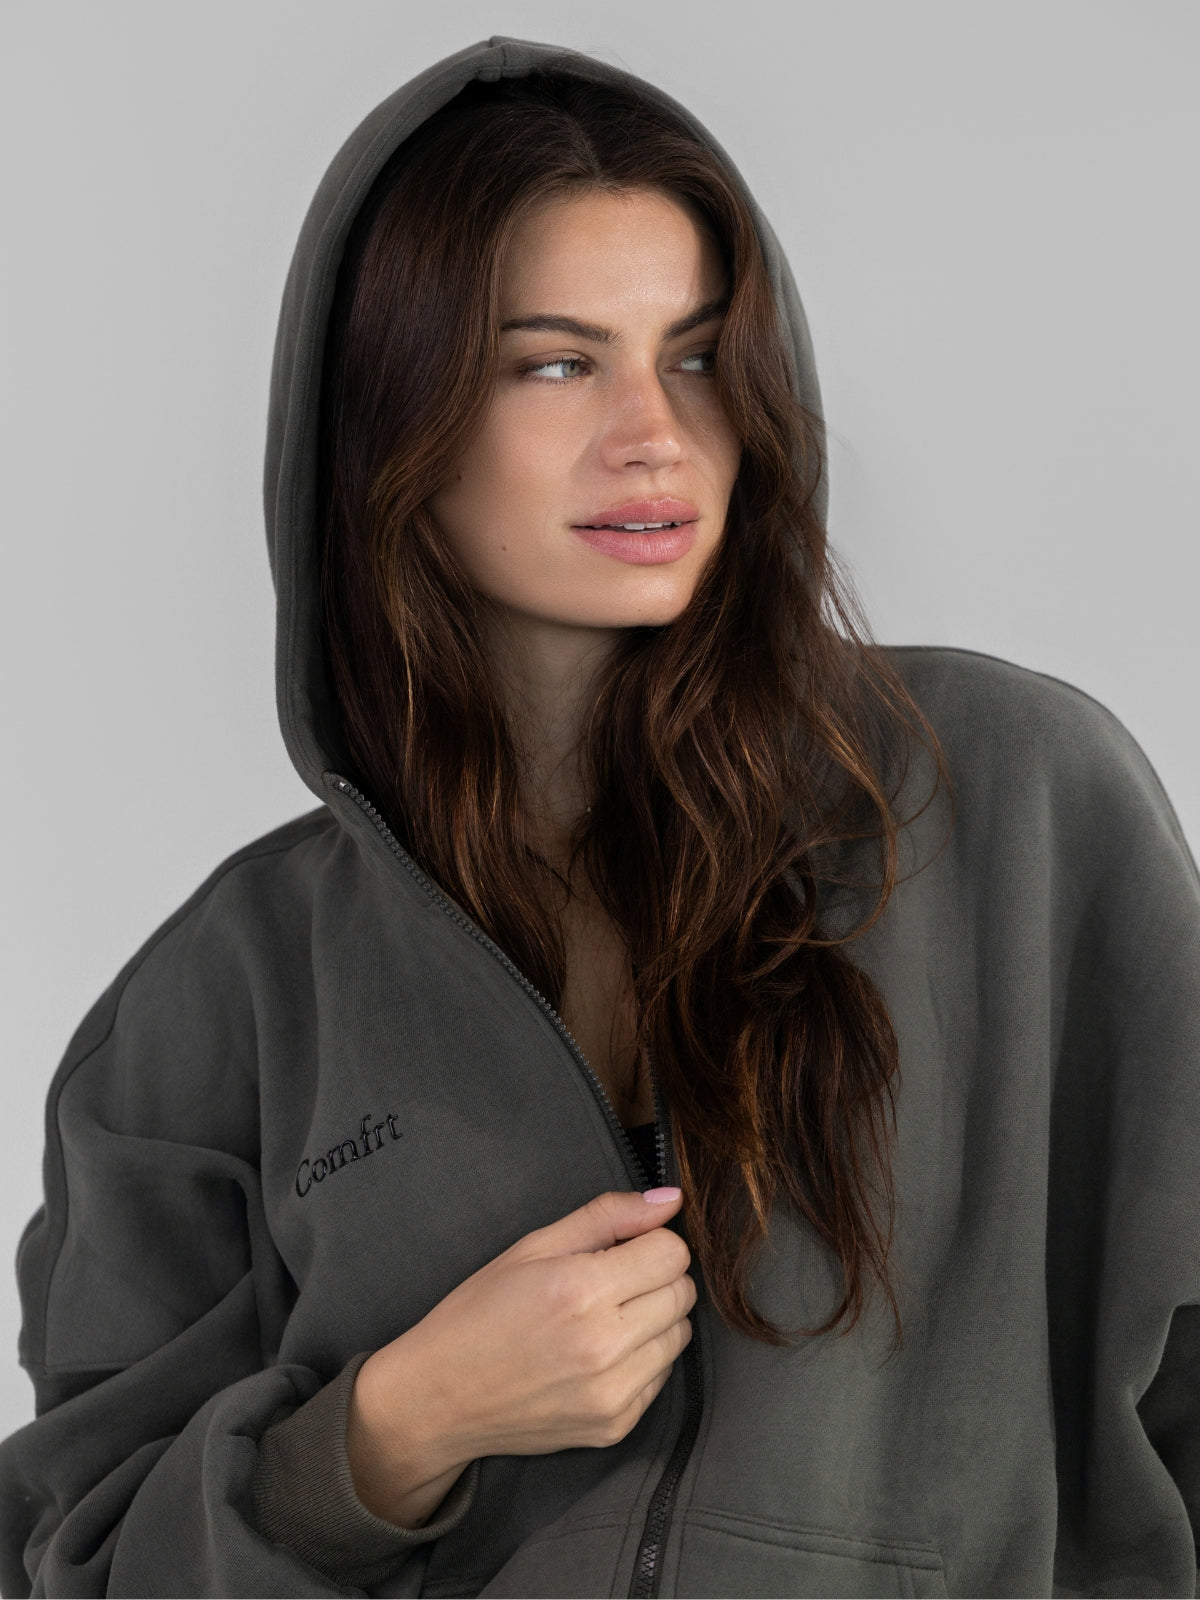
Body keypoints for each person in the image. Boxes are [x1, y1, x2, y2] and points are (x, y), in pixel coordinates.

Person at [1, 32, 1197, 1600]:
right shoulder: (220, 1003)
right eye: (555, 363)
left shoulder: (1016, 810)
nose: (656, 434)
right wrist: (393, 1431)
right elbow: (78, 1563)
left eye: (695, 355)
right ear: (392, 422)